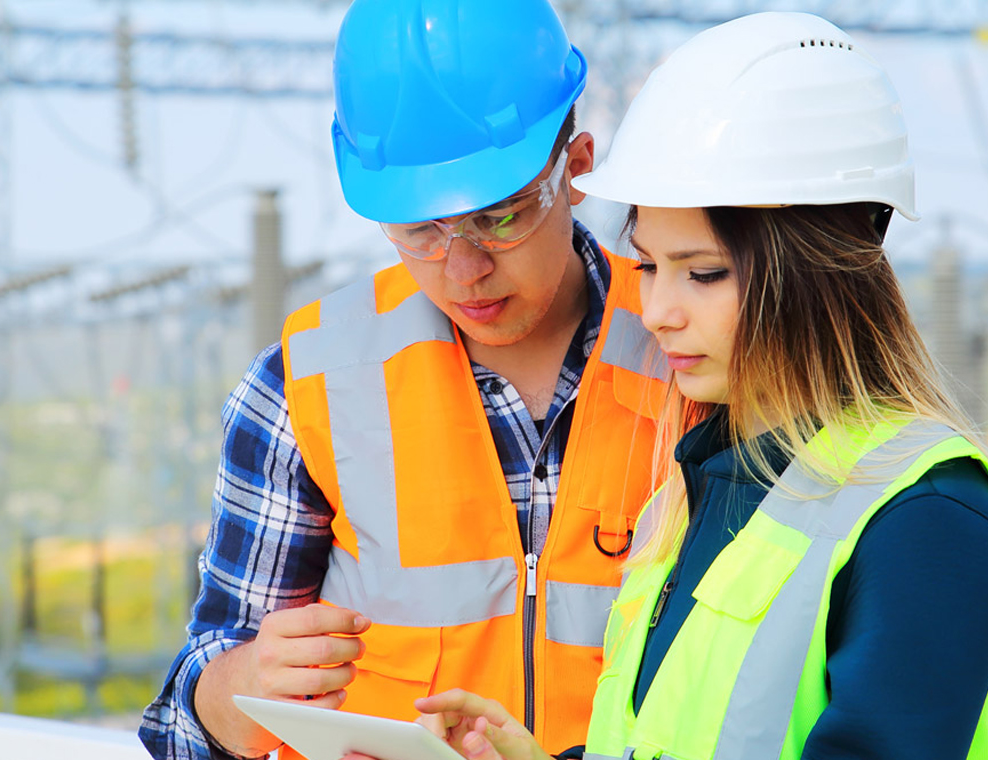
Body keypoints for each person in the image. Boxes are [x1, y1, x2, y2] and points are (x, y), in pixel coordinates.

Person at [400, 12, 988, 760]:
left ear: (814, 269)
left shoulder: (929, 523)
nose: (656, 313)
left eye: (704, 273)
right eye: (650, 266)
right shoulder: (701, 488)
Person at [138, 1, 673, 759]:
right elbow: (183, 732)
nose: (464, 269)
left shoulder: (689, 355)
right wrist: (241, 682)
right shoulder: (304, 383)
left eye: (503, 217)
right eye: (420, 230)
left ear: (578, 164)